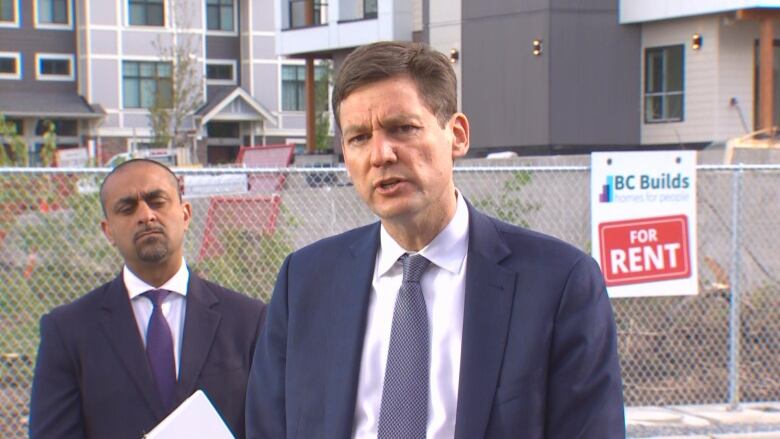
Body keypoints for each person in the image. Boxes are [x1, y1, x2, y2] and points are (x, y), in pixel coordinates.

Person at [245, 41, 624, 438]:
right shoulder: (304, 281)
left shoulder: (558, 283)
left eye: (402, 129)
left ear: (456, 135)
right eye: (358, 137)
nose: (381, 154)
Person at [29, 159, 265, 439]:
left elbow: (270, 425)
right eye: (127, 208)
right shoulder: (68, 331)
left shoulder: (248, 321)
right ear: (108, 231)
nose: (146, 215)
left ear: (186, 214)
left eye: (157, 201)